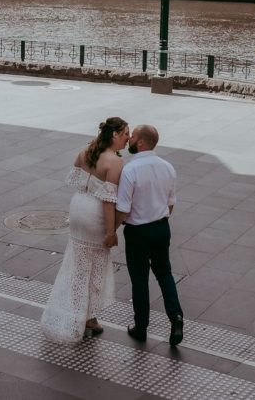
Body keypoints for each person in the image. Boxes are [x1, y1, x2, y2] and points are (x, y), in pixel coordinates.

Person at [41, 117, 129, 343]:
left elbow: (77, 178)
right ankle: (87, 318)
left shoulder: (86, 151)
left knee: (78, 264)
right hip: (95, 215)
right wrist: (111, 231)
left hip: (78, 207)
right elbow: (108, 200)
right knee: (96, 268)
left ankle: (74, 311)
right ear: (115, 135)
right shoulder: (115, 162)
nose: (128, 139)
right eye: (125, 134)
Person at [113, 125, 184, 347]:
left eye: (132, 136)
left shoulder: (130, 170)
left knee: (140, 280)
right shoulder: (167, 167)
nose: (130, 139)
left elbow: (123, 208)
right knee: (165, 274)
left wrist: (112, 229)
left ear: (141, 142)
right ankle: (176, 318)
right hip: (162, 228)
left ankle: (141, 327)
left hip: (138, 232)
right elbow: (170, 203)